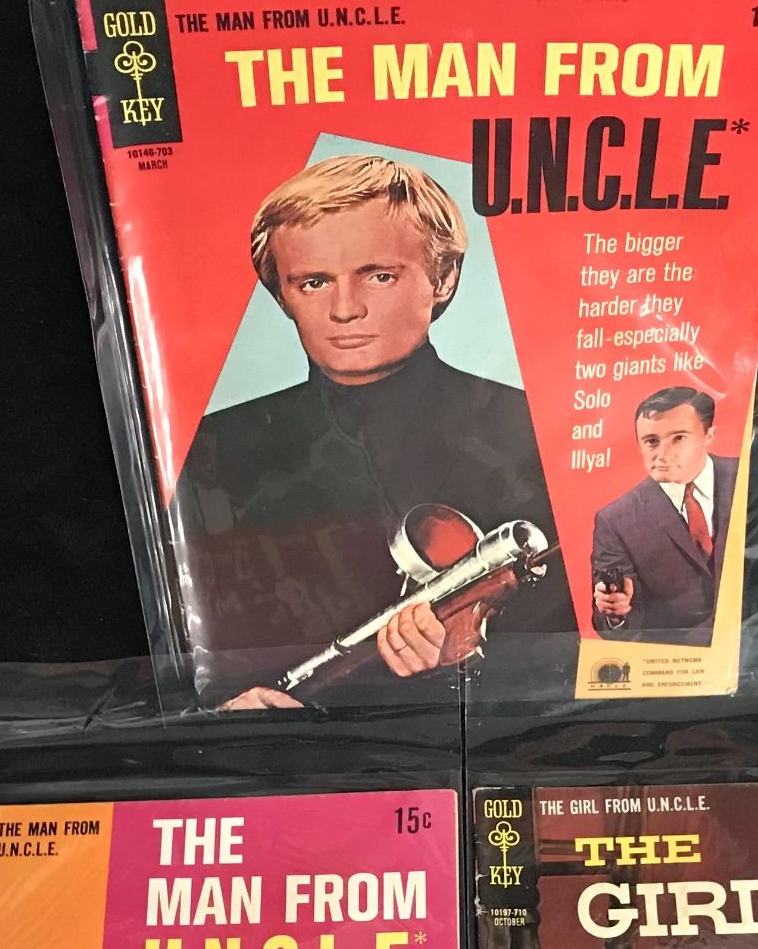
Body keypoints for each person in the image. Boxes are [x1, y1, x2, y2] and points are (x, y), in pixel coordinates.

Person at [176, 153, 574, 706]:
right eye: (314, 282)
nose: (345, 309)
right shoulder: (211, 450)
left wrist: (462, 666)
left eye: (379, 276)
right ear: (281, 295)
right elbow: (182, 650)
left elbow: (590, 650)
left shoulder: (543, 432)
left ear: (443, 278)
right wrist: (222, 707)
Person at [590, 387, 739, 645]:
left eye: (678, 438)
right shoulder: (614, 520)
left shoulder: (749, 475)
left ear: (709, 435)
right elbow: (615, 627)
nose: (662, 454)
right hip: (677, 661)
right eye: (651, 441)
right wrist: (617, 613)